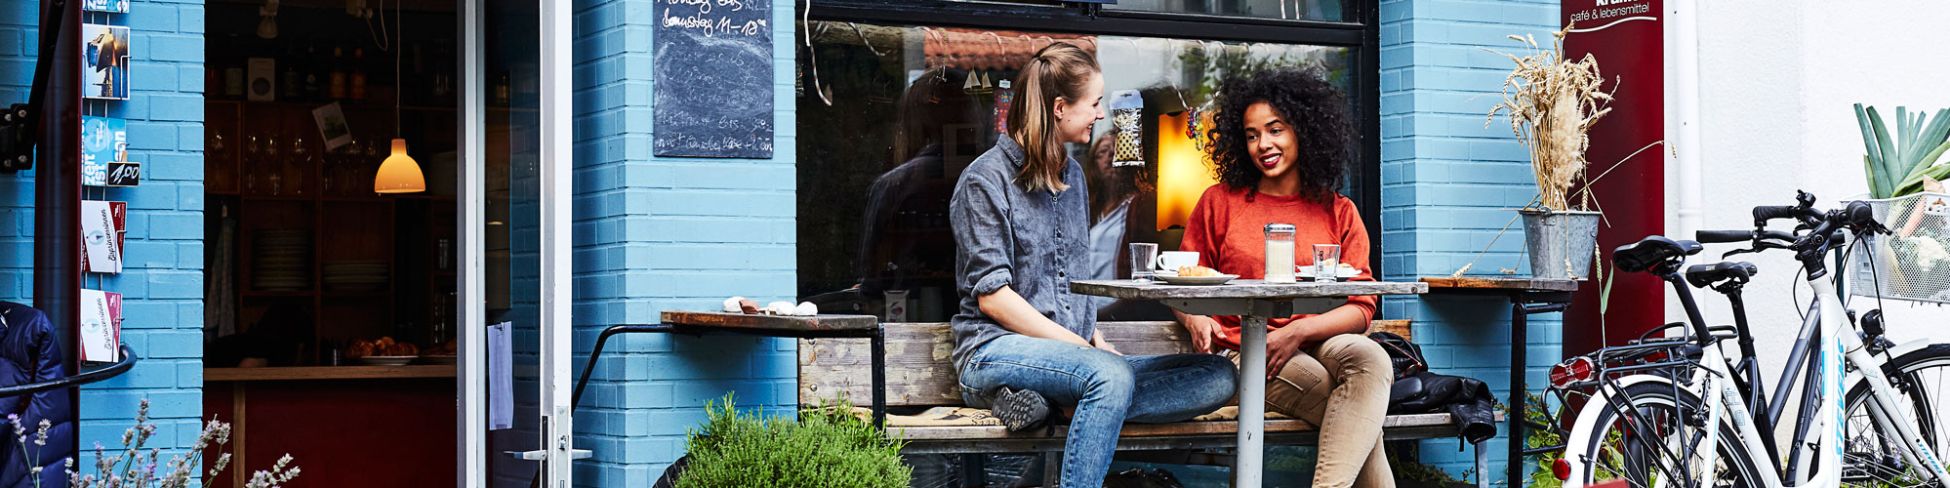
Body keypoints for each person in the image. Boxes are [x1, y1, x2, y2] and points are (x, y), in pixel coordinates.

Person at [949, 42, 1235, 488]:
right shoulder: (984, 182)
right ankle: (1068, 398)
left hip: (1073, 358)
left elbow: (1068, 280)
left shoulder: (1074, 176)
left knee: (1218, 376)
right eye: (1096, 103)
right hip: (993, 351)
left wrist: (1093, 338)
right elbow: (993, 299)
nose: (1101, 115)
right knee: (1108, 375)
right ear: (1060, 108)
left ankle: (1068, 401)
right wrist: (1086, 353)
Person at [1176, 68, 1395, 488]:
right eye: (1252, 134)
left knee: (1372, 360)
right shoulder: (1220, 202)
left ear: (1303, 131)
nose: (1264, 145)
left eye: (1275, 130)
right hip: (1245, 348)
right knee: (1352, 412)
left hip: (1318, 336)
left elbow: (1362, 307)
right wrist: (1194, 317)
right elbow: (1182, 279)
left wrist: (1300, 332)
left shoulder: (1338, 210)